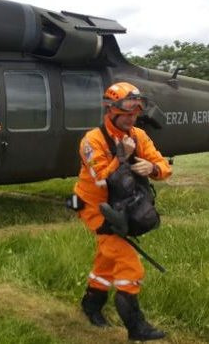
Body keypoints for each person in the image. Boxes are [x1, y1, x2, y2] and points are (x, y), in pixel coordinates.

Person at [74, 82, 171, 341]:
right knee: (130, 266)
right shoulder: (92, 141)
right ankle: (136, 328)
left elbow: (163, 165)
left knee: (107, 260)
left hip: (122, 206)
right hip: (96, 209)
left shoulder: (139, 135)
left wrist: (152, 168)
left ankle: (91, 304)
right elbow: (100, 180)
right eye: (127, 113)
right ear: (110, 110)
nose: (132, 118)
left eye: (135, 113)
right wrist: (122, 155)